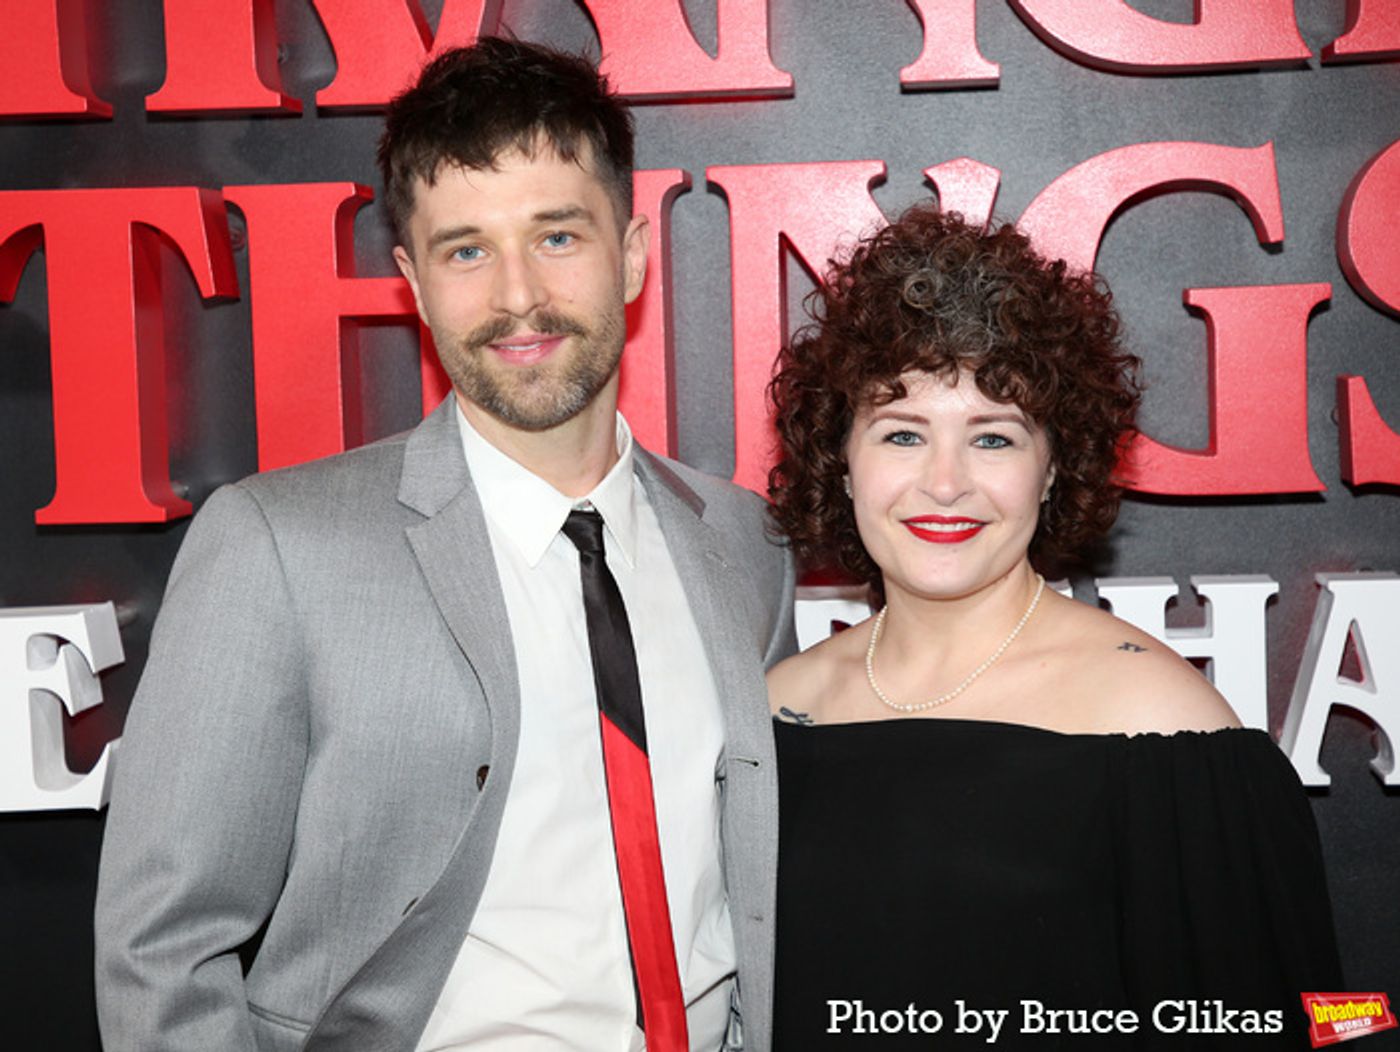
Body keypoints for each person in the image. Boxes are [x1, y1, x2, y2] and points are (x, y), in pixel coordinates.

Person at [95, 38, 794, 1052]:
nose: (516, 294)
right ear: (413, 283)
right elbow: (162, 947)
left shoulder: (742, 542)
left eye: (557, 235)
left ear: (633, 254)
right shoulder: (277, 547)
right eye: (466, 249)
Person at [764, 204, 1342, 1048]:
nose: (946, 483)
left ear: (1054, 466)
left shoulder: (1167, 734)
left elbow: (1301, 1025)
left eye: (994, 439)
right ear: (842, 461)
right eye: (901, 433)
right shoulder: (773, 714)